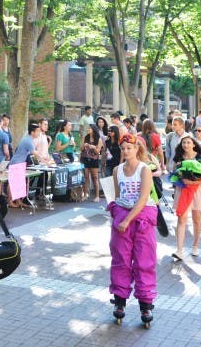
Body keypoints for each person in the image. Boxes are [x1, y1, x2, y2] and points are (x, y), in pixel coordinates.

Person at [107, 133, 157, 327]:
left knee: (144, 260)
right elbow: (118, 196)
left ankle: (145, 304)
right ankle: (119, 302)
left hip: (142, 218)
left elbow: (143, 198)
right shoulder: (117, 171)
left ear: (137, 148)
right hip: (123, 216)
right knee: (121, 259)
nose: (126, 151)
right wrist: (121, 216)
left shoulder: (144, 169)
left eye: (130, 147)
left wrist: (127, 220)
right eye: (124, 148)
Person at [171, 135, 201, 261]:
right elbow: (174, 173)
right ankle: (179, 250)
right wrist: (181, 178)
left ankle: (195, 246)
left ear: (193, 144)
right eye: (184, 143)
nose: (186, 145)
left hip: (197, 190)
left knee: (196, 219)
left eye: (188, 142)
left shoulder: (200, 157)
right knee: (181, 219)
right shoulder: (178, 157)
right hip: (182, 190)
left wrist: (193, 182)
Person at [80, 122, 104, 202]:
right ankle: (85, 194)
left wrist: (93, 147)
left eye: (89, 128)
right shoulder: (85, 137)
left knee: (95, 177)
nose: (88, 129)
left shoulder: (98, 139)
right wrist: (84, 145)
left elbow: (98, 152)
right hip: (85, 159)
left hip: (94, 159)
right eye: (87, 128)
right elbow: (81, 149)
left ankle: (97, 196)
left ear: (93, 129)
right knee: (86, 177)